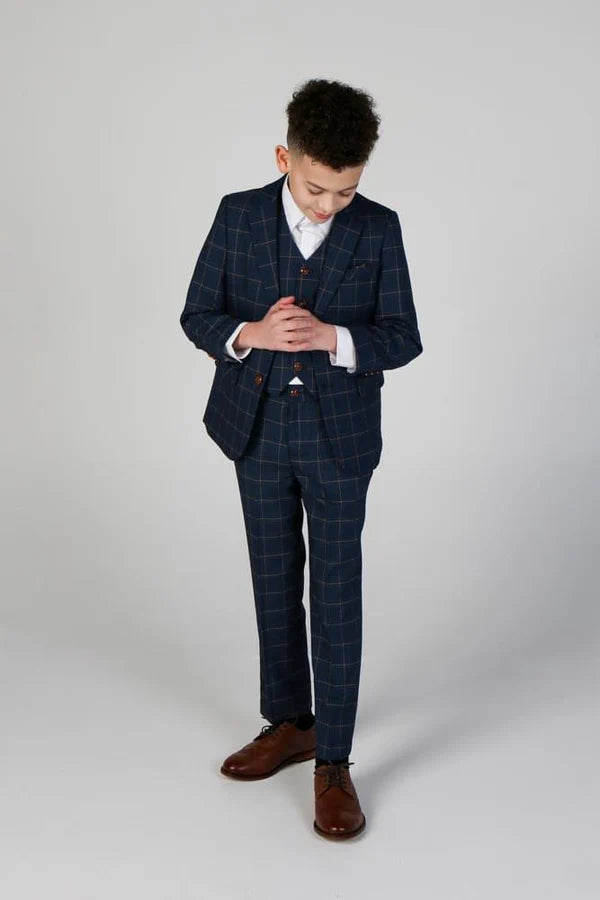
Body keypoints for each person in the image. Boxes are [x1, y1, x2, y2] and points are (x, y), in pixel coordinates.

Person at [179, 77, 423, 840]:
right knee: (273, 578)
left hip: (340, 438)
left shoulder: (379, 230)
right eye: (317, 188)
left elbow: (403, 336)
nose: (328, 206)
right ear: (285, 157)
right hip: (254, 429)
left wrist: (336, 340)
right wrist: (250, 331)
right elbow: (197, 315)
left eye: (345, 193)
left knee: (337, 591)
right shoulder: (238, 215)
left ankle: (335, 761)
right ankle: (291, 722)